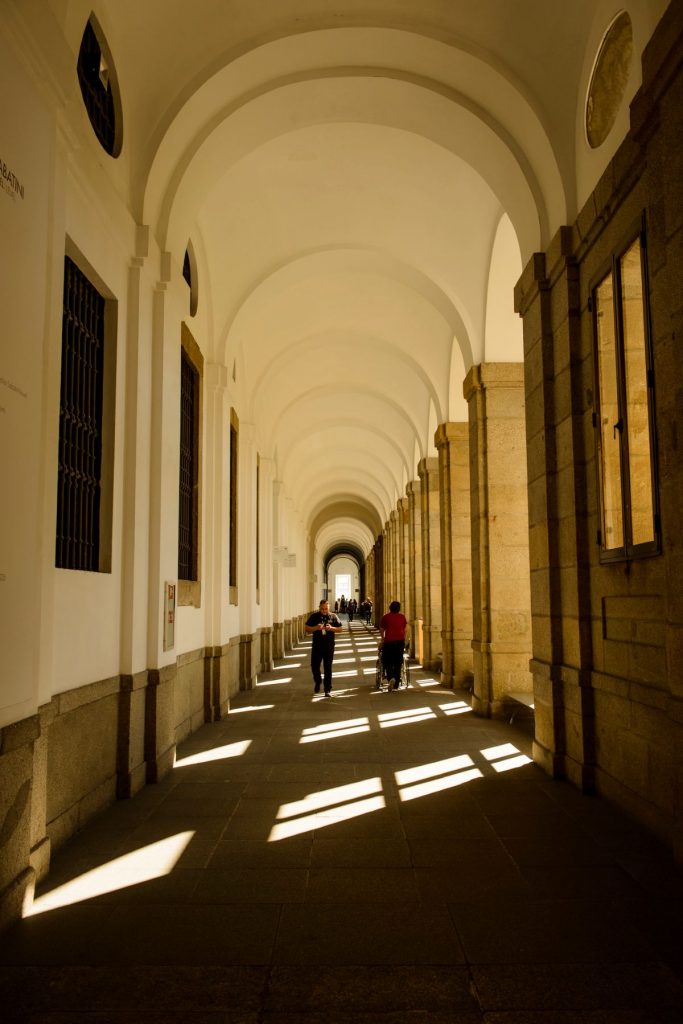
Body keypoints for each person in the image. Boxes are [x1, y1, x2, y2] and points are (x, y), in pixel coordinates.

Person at [305, 599, 343, 696]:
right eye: (322, 609)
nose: (324, 611)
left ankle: (327, 689)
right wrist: (316, 628)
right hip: (317, 646)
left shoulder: (333, 616)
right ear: (319, 608)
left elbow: (340, 629)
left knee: (328, 667)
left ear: (329, 608)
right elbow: (307, 629)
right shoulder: (314, 616)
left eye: (326, 609)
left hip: (329, 646)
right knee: (314, 666)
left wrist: (331, 628)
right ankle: (318, 681)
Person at [379, 600, 409, 690]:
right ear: (399, 609)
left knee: (387, 660)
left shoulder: (385, 617)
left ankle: (390, 678)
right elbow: (405, 629)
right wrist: (404, 638)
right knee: (398, 662)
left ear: (390, 608)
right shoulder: (402, 617)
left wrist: (382, 639)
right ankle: (396, 684)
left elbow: (382, 629)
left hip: (389, 642)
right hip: (400, 642)